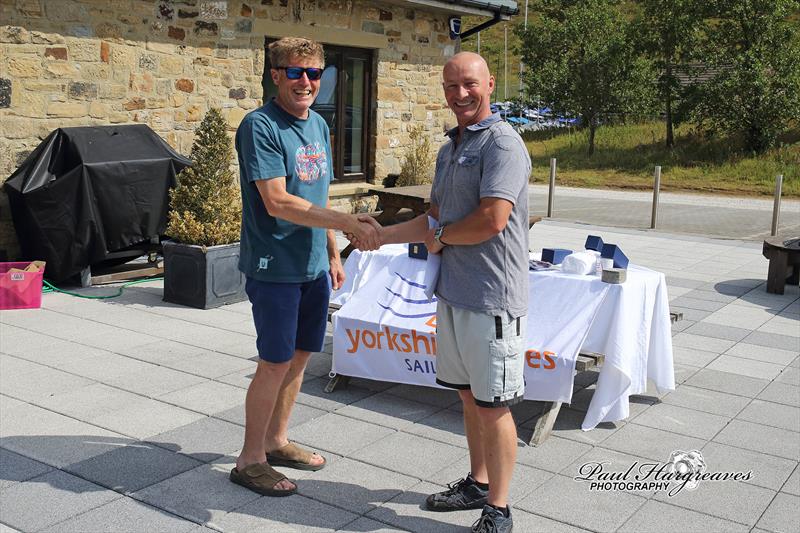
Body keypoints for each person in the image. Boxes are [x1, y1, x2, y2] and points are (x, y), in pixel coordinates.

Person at [349, 52, 530, 532]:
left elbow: (492, 220)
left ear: (490, 83)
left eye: (469, 84)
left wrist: (441, 237)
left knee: (494, 406)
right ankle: (478, 483)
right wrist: (375, 235)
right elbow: (432, 220)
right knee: (470, 398)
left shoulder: (503, 145)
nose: (460, 94)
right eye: (451, 86)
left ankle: (501, 509)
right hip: (453, 293)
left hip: (492, 296)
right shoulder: (450, 148)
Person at [230, 36, 380, 497]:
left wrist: (333, 251)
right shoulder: (260, 126)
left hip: (313, 264)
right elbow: (277, 202)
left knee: (299, 357)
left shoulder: (317, 124)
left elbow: (317, 195)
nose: (306, 82)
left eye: (315, 73)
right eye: (295, 72)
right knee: (273, 363)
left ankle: (276, 441)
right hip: (274, 264)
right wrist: (347, 222)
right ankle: (249, 460)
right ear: (275, 75)